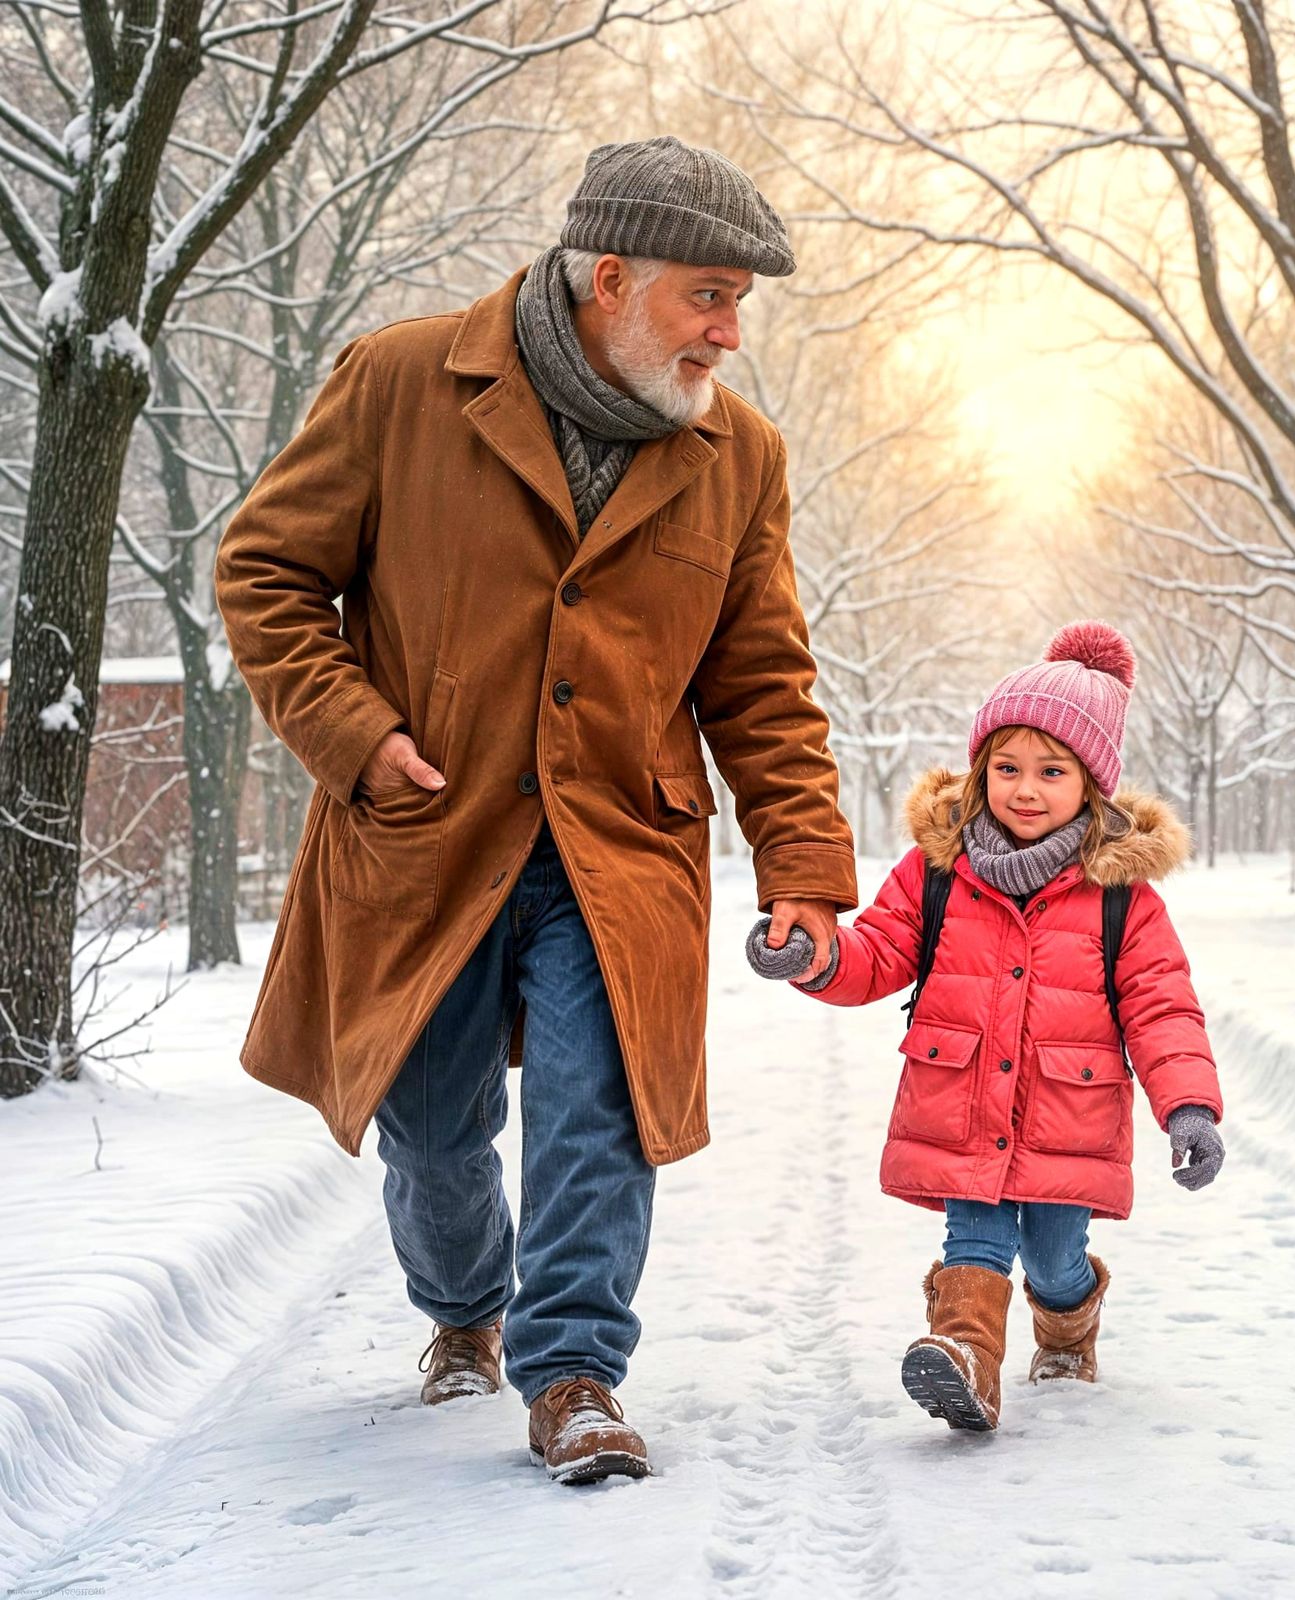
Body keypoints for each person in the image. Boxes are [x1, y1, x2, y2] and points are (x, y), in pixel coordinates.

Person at [215, 137, 856, 1485]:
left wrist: (800, 859)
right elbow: (269, 572)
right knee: (437, 1128)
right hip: (430, 831)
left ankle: (573, 1374)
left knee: (599, 1109)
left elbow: (763, 680)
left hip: (619, 844)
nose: (731, 335)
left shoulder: (739, 456)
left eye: (742, 304)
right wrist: (360, 734)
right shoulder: (403, 380)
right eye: (710, 296)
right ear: (609, 278)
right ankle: (465, 1313)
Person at [745, 621, 1224, 1431]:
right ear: (980, 772)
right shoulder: (936, 873)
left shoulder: (1121, 899)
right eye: (1006, 768)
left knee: (1051, 1257)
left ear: (1092, 785)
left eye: (1050, 771)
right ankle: (965, 1358)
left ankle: (1069, 1323)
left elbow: (1162, 1006)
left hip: (1066, 1119)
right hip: (963, 1103)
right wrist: (815, 960)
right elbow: (880, 954)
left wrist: (1189, 1109)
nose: (1025, 789)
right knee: (974, 1237)